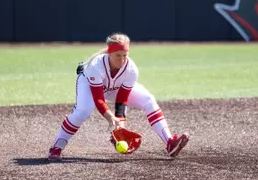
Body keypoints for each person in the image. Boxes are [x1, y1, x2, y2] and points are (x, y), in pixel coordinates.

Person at [47, 32, 190, 160]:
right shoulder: (96, 66)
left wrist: (120, 126)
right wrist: (110, 118)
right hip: (89, 85)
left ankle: (170, 143)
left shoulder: (131, 69)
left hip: (115, 88)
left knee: (148, 100)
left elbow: (122, 99)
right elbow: (98, 99)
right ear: (109, 53)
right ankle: (56, 147)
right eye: (117, 55)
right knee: (83, 111)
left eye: (125, 55)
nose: (122, 60)